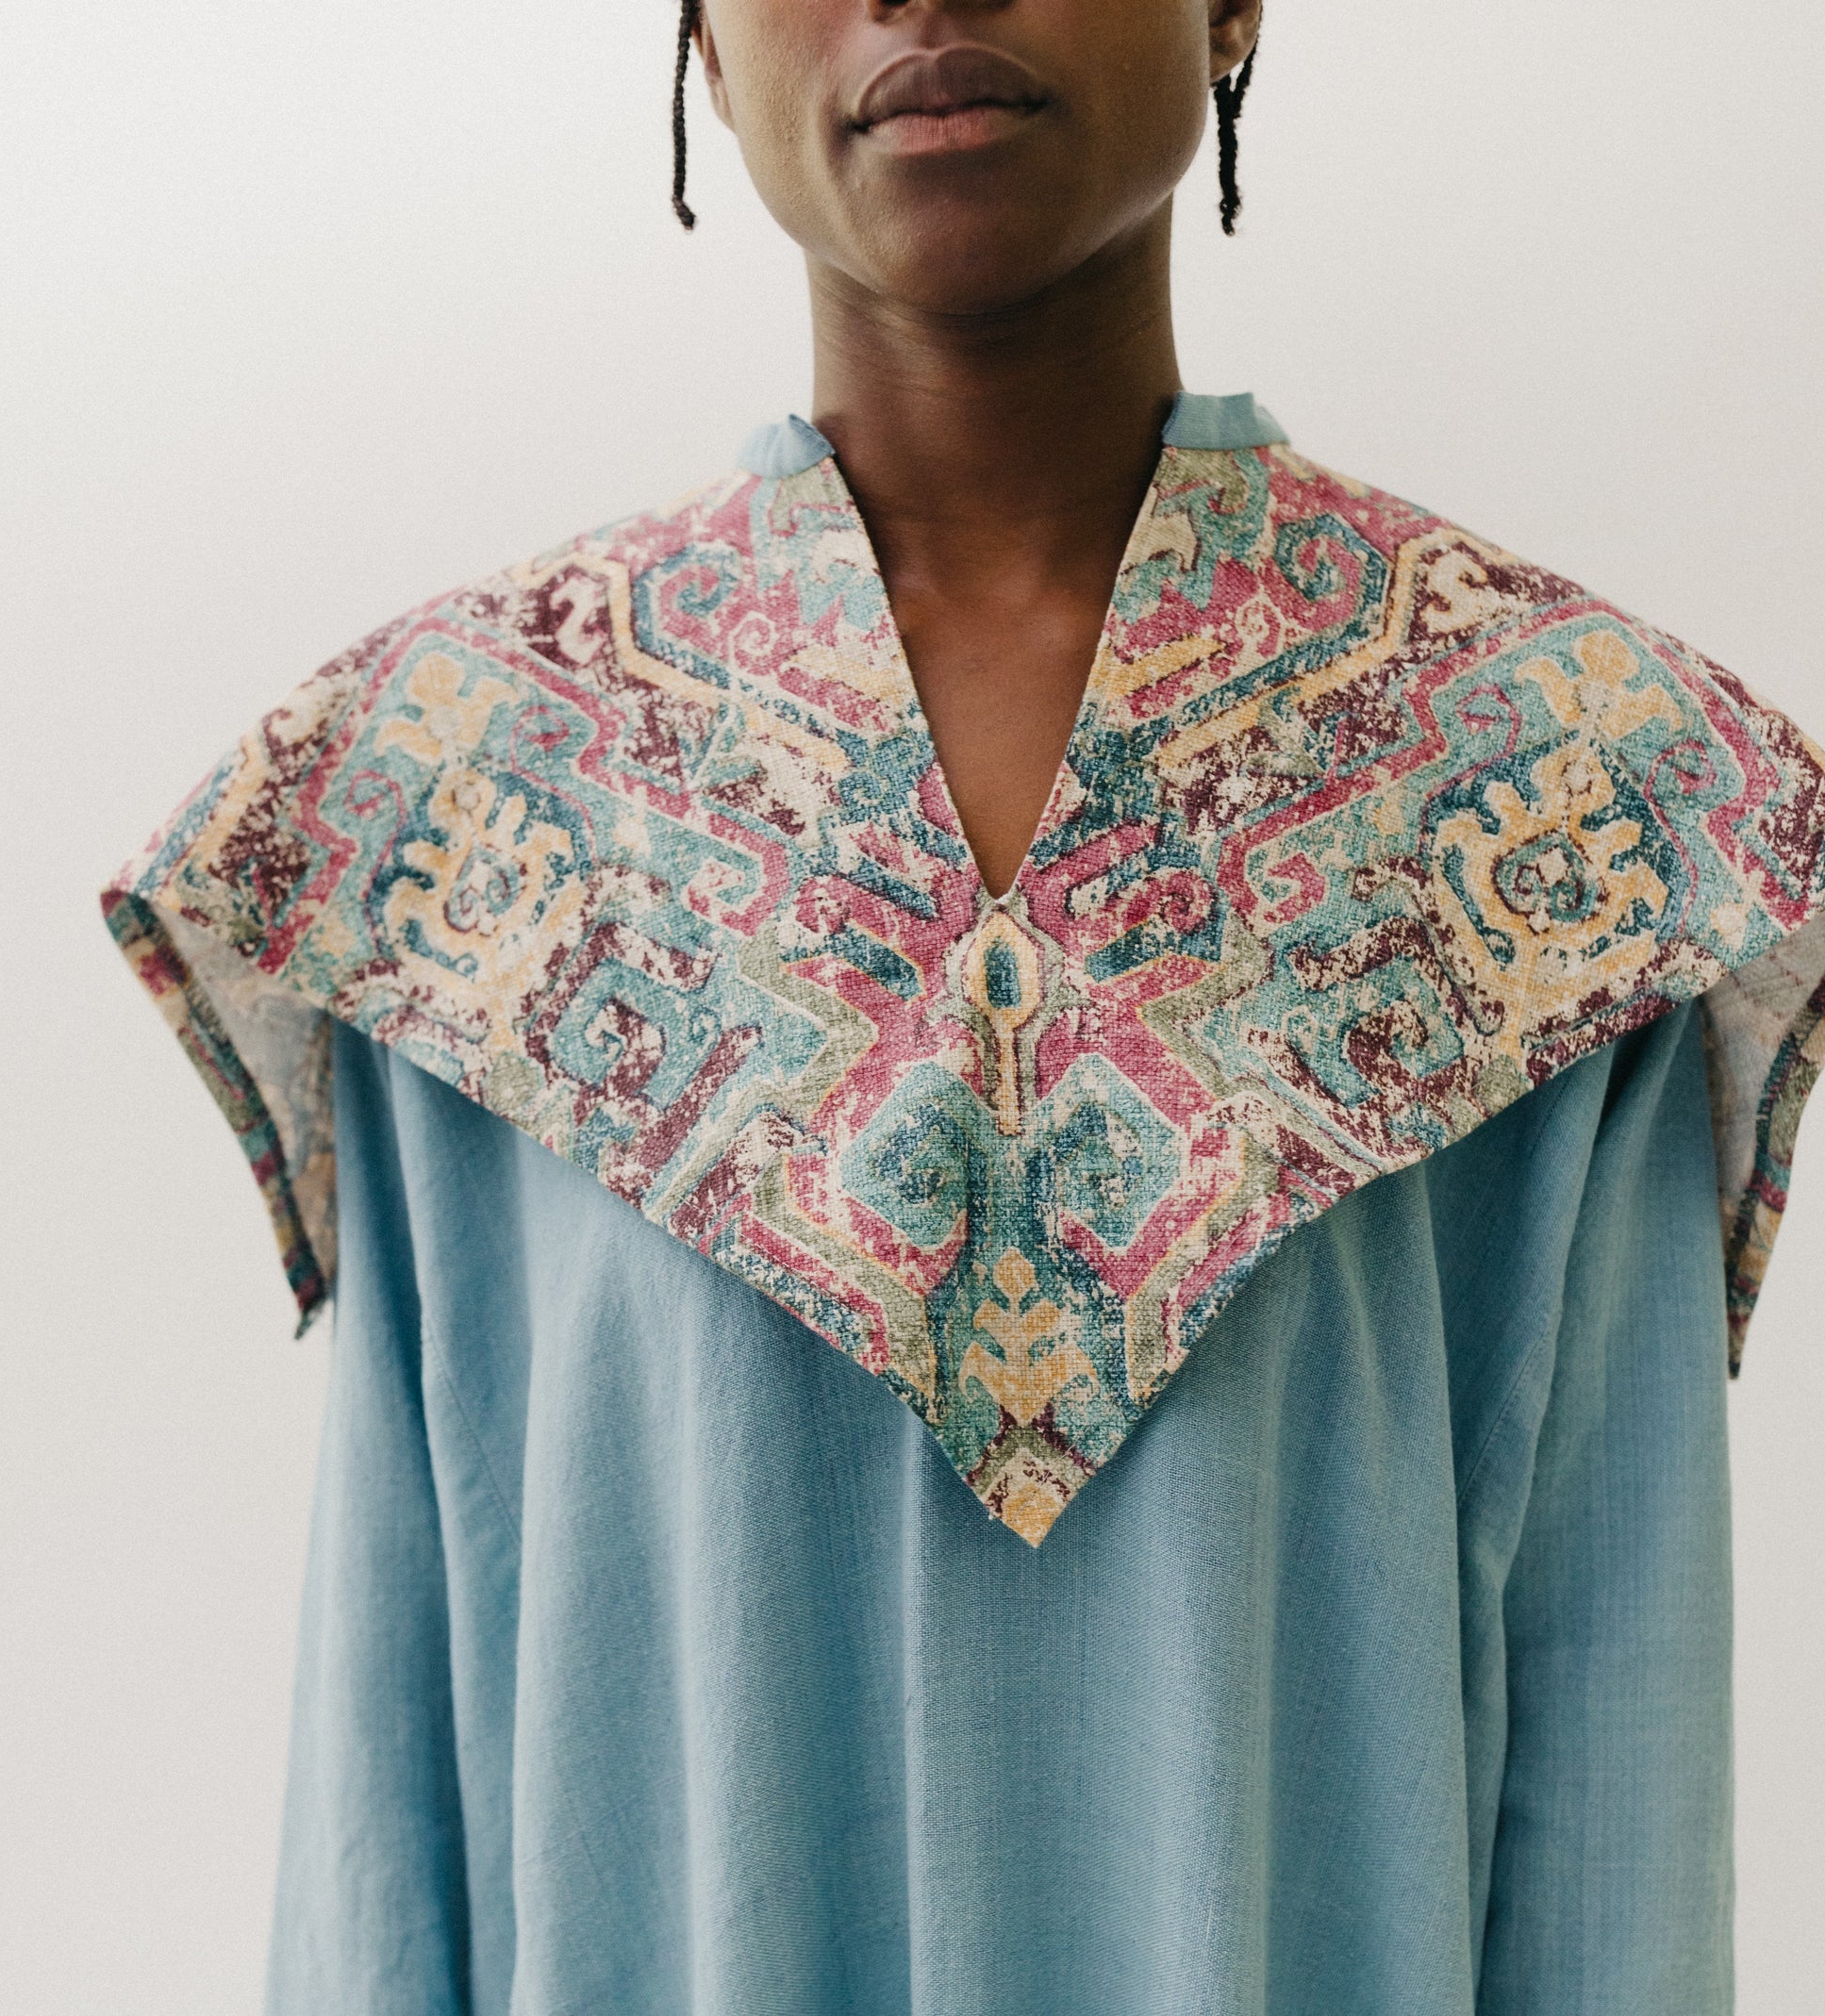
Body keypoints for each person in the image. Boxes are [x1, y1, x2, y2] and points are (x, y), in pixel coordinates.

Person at [101, 2, 1825, 2009]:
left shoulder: (1565, 796)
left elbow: (1615, 1818)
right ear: (699, 37)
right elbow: (392, 1793)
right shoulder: (454, 814)